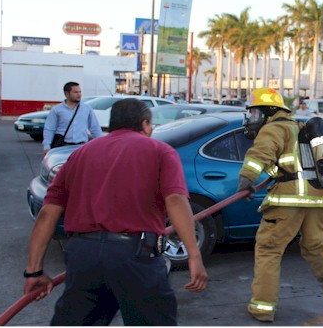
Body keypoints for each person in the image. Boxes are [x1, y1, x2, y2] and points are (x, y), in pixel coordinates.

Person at [23, 98, 207, 325]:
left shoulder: (80, 154)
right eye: (151, 126)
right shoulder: (160, 151)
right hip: (135, 258)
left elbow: (47, 214)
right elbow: (176, 200)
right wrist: (194, 255)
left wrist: (34, 272)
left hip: (83, 258)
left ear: (112, 124)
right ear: (145, 124)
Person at [238, 88, 323, 322]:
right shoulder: (299, 129)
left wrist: (246, 178)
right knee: (314, 244)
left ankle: (262, 308)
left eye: (255, 113)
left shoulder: (274, 128)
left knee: (269, 250)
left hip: (288, 200)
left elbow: (261, 153)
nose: (252, 119)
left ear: (269, 112)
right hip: (318, 198)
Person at [42, 82, 102, 154]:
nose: (79, 95)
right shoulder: (57, 109)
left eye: (80, 92)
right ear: (67, 94)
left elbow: (95, 128)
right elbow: (49, 129)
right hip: (62, 147)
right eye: (75, 92)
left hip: (81, 147)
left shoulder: (87, 108)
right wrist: (46, 146)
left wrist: (101, 145)